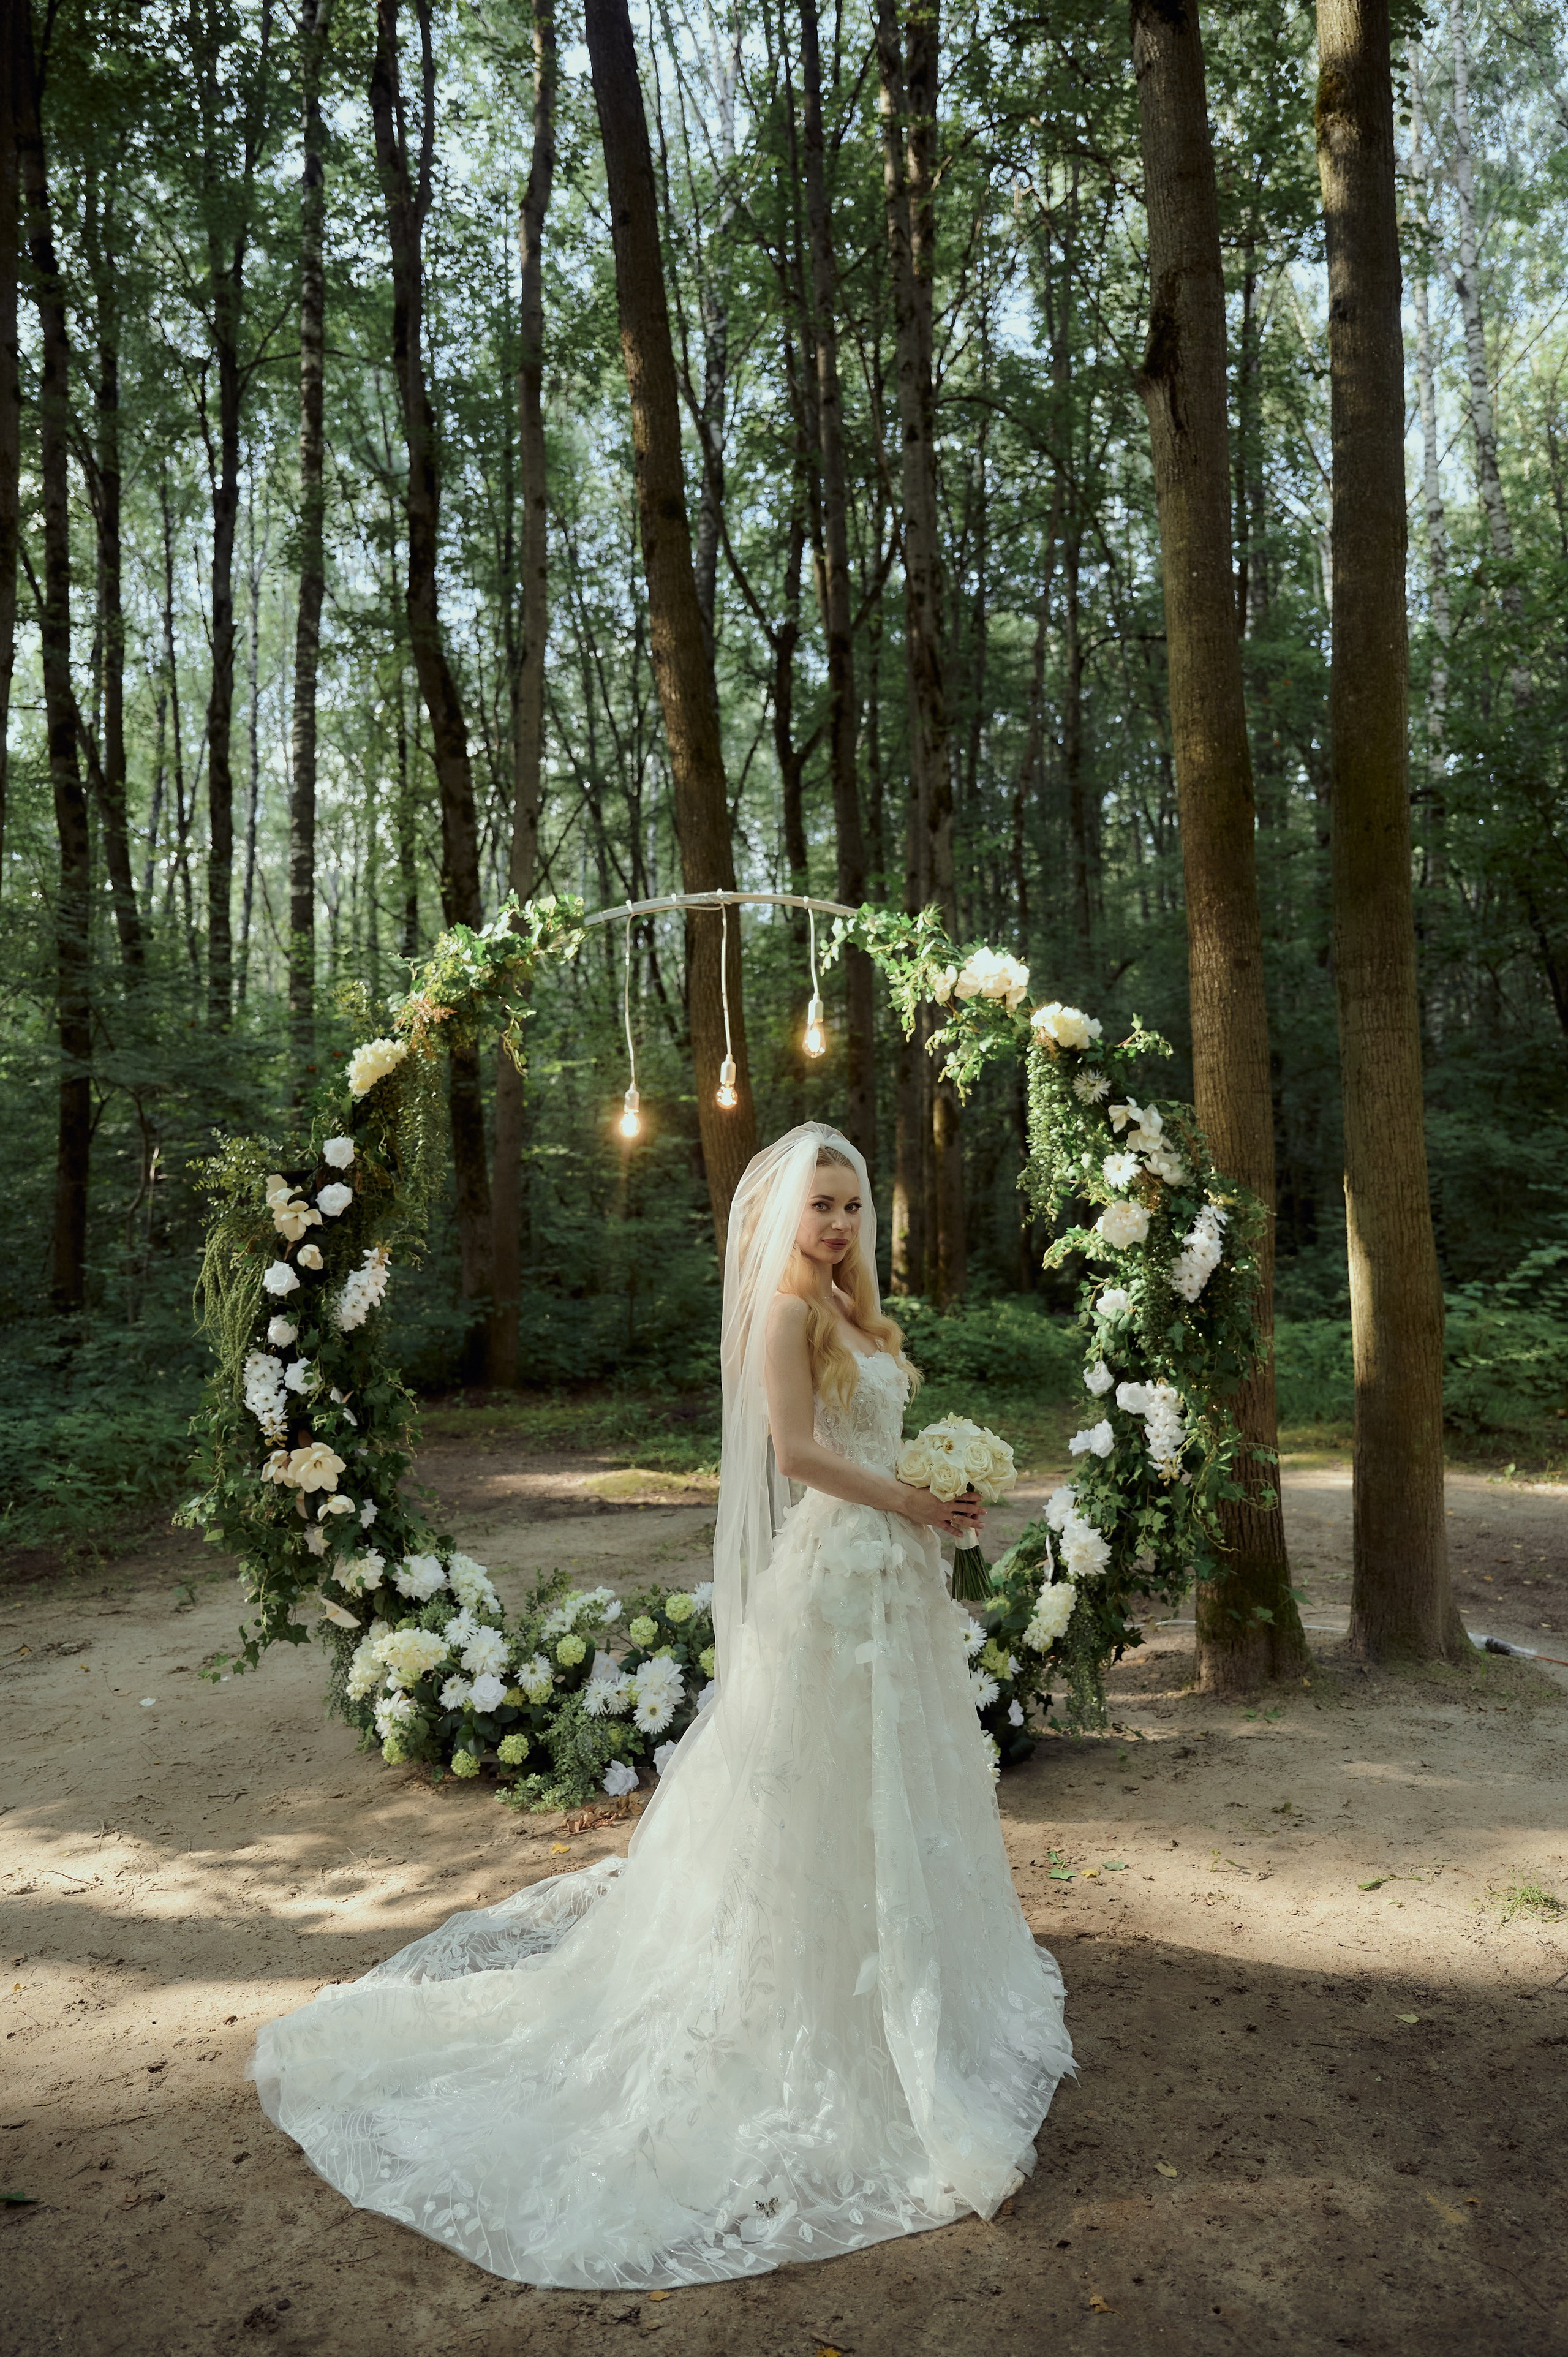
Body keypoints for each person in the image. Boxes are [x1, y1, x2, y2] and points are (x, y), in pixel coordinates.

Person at [251, 1122, 1071, 2288]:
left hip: (894, 1576)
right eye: (819, 1205)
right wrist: (908, 1496)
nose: (837, 1224)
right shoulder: (786, 1314)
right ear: (782, 1216)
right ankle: (817, 1998)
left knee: (896, 1776)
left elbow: (871, 1438)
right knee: (817, 1789)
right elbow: (795, 1454)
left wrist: (946, 1494)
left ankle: (914, 1970)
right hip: (838, 1580)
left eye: (850, 1206)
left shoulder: (859, 1314)